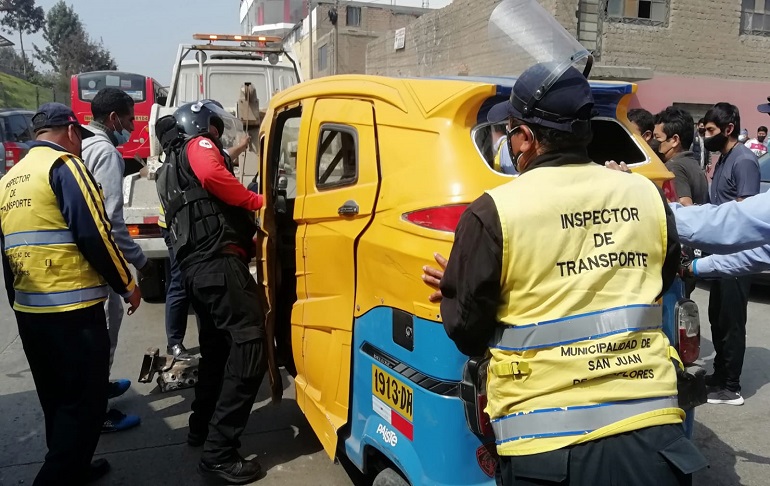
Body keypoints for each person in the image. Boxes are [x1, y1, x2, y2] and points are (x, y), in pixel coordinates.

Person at [422, 64, 706, 485]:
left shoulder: (493, 212)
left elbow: (468, 331)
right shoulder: (644, 194)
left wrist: (457, 288)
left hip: (546, 444)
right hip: (651, 432)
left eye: (512, 130)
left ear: (526, 138)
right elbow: (662, 280)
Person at [0, 103, 141, 485]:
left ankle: (75, 468)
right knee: (85, 405)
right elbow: (95, 233)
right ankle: (60, 475)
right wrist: (127, 286)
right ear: (72, 132)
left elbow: (7, 251)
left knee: (57, 402)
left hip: (32, 312)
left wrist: (19, 303)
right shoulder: (65, 167)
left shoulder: (10, 179)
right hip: (73, 311)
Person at [156, 100, 266, 484]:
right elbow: (215, 176)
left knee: (217, 352)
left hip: (196, 272)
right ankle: (219, 453)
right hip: (219, 264)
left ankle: (200, 426)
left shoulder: (167, 169)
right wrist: (256, 202)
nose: (217, 136)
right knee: (251, 345)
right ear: (201, 124)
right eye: (214, 128)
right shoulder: (198, 146)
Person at [81, 87, 149, 433]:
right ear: (112, 119)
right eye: (127, 119)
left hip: (80, 258)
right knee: (107, 326)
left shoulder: (80, 145)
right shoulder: (106, 153)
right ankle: (98, 411)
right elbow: (111, 222)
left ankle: (99, 389)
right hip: (100, 259)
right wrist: (140, 262)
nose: (130, 128)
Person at [156, 118, 251, 361]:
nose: (213, 136)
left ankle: (208, 341)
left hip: (180, 229)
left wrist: (240, 146)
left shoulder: (176, 157)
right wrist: (252, 200)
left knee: (195, 290)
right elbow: (211, 171)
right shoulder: (186, 153)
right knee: (181, 284)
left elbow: (221, 158)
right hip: (183, 231)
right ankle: (175, 342)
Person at [701, 102, 760, 406]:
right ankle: (720, 373)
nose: (705, 135)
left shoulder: (744, 161)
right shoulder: (722, 158)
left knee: (733, 321)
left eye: (711, 130)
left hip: (737, 256)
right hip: (720, 255)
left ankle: (732, 387)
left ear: (728, 129)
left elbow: (743, 212)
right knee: (718, 318)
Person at [652, 107, 709, 207]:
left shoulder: (674, 167)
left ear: (674, 140)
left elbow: (685, 206)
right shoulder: (692, 163)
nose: (653, 142)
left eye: (657, 137)